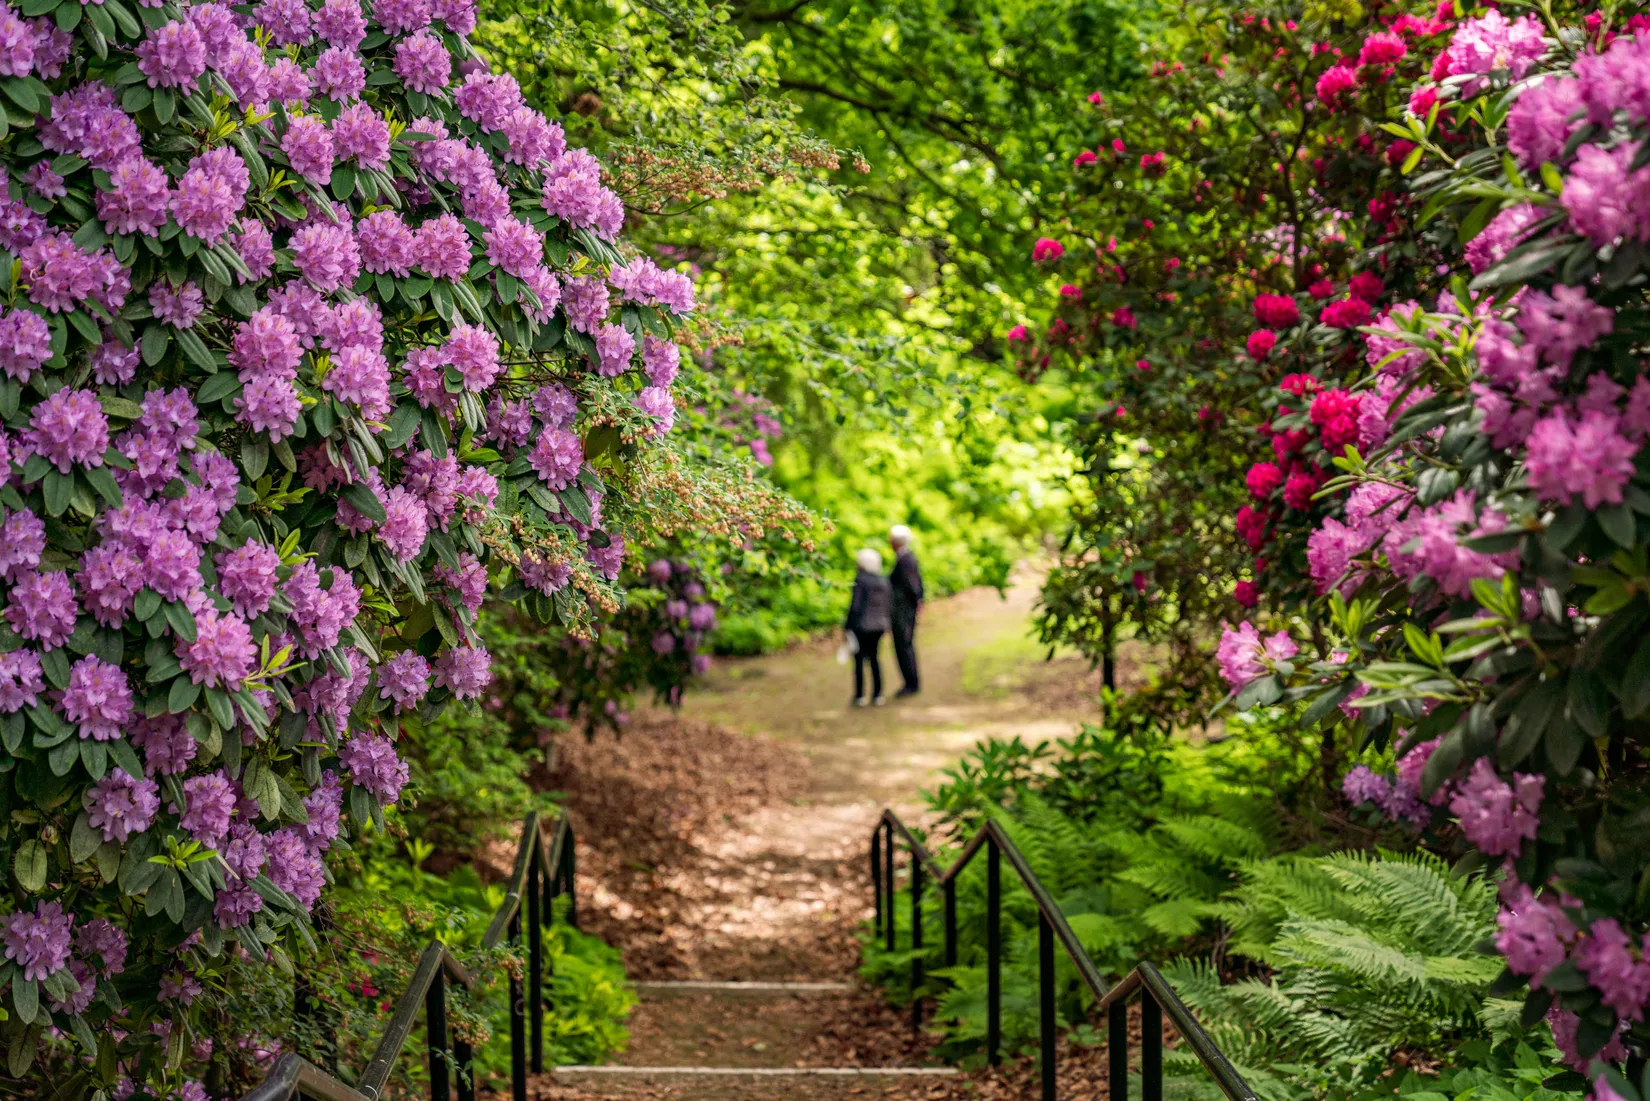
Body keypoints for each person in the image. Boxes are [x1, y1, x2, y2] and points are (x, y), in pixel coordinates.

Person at [844, 547, 892, 707]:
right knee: (875, 659)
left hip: (862, 626)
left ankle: (860, 695)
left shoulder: (861, 579)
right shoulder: (883, 580)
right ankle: (877, 694)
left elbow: (855, 606)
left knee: (858, 661)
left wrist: (847, 626)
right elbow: (888, 604)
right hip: (879, 626)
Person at [888, 525, 924, 697]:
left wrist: (916, 602)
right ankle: (911, 683)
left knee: (904, 646)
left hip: (903, 612)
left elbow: (913, 585)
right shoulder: (907, 558)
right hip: (905, 611)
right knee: (904, 646)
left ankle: (911, 684)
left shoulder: (905, 559)